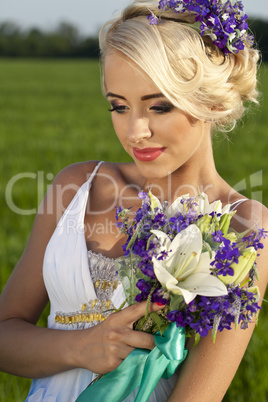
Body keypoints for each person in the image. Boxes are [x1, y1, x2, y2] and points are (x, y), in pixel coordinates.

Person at [0, 0, 267, 401]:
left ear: (210, 102)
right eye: (118, 106)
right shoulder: (77, 186)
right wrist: (81, 347)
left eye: (158, 106)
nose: (134, 130)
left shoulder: (246, 229)